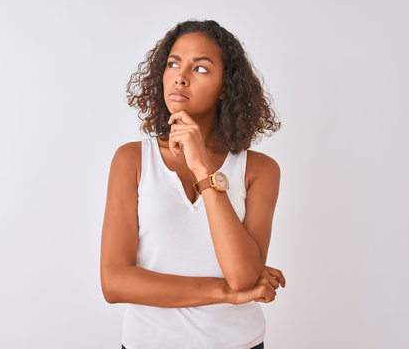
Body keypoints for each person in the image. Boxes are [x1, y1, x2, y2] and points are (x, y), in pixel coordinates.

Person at [100, 19, 286, 349]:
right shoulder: (131, 160)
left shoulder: (259, 170)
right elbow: (115, 283)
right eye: (173, 63)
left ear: (225, 87)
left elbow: (243, 275)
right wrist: (226, 293)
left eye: (200, 68)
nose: (180, 76)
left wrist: (201, 167)